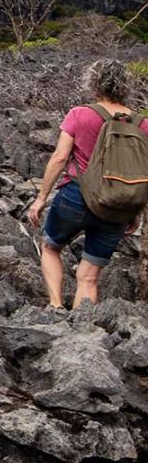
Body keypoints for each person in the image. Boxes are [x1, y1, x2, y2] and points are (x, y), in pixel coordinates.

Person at [27, 59, 148, 308]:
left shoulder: (79, 114)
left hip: (75, 196)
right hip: (118, 207)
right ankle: (83, 327)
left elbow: (60, 158)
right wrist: (135, 211)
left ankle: (56, 306)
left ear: (93, 83)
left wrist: (41, 199)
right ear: (126, 86)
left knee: (50, 247)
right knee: (90, 277)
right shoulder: (142, 124)